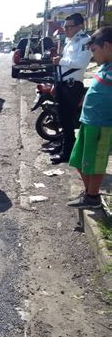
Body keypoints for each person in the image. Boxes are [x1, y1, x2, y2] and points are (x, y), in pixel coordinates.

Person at [67, 26, 112, 209]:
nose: (93, 55)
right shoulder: (105, 66)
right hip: (88, 121)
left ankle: (92, 197)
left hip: (102, 125)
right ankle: (89, 194)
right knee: (79, 160)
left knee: (95, 162)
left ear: (107, 46)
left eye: (94, 50)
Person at [50, 13, 92, 165]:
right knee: (62, 119)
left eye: (69, 26)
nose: (66, 29)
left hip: (72, 86)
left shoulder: (84, 41)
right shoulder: (70, 41)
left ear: (80, 26)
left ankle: (67, 153)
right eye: (65, 27)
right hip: (63, 84)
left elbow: (81, 63)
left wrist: (60, 61)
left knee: (68, 121)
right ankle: (62, 146)